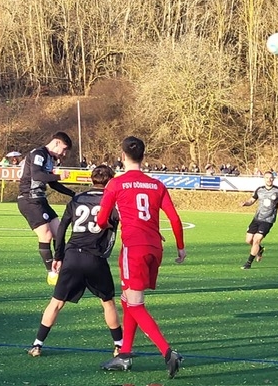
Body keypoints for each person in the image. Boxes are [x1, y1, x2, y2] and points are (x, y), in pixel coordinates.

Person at [98, 136, 186, 379]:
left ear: (122, 156)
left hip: (133, 249)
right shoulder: (156, 185)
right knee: (128, 298)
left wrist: (107, 225)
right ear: (143, 156)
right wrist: (180, 247)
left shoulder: (116, 184)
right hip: (154, 248)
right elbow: (175, 219)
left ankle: (168, 352)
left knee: (135, 303)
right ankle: (124, 354)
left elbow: (101, 219)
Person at [27, 165, 122, 358]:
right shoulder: (112, 200)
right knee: (108, 303)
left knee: (56, 303)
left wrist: (58, 256)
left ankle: (37, 345)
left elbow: (62, 229)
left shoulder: (77, 199)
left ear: (91, 179)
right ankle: (119, 346)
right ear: (111, 180)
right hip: (95, 258)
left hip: (72, 256)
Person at [17, 131, 75, 285]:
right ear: (56, 142)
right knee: (46, 235)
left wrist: (73, 194)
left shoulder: (49, 158)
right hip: (29, 199)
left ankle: (61, 267)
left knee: (59, 232)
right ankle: (52, 273)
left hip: (40, 200)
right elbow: (37, 175)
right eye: (64, 149)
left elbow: (52, 183)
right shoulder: (39, 154)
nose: (64, 153)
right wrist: (60, 176)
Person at [239, 171, 278, 270]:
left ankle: (248, 263)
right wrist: (245, 203)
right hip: (257, 218)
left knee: (256, 240)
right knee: (248, 240)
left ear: (273, 179)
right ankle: (260, 249)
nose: (269, 179)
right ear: (264, 179)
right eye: (267, 178)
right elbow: (251, 200)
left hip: (268, 220)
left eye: (271, 178)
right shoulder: (259, 190)